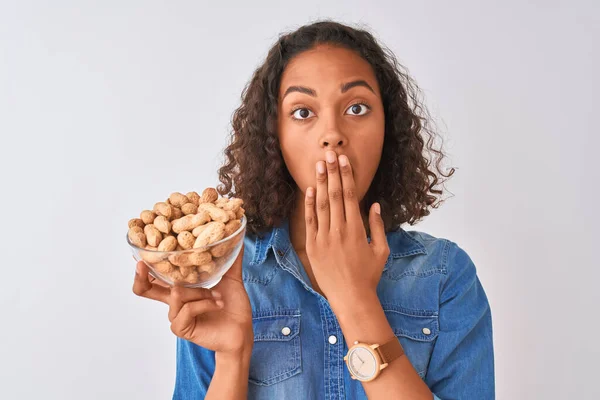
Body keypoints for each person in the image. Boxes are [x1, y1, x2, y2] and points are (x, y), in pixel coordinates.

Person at [133, 20, 495, 400]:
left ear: (387, 127)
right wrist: (232, 357)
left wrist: (354, 299)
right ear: (276, 136)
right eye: (303, 112)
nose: (332, 133)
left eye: (357, 107)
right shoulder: (225, 275)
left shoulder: (444, 276)